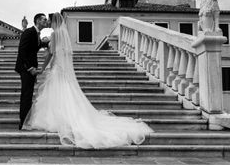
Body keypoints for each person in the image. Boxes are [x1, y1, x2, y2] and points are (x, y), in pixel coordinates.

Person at [23, 12, 152, 148]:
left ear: (53, 21)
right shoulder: (63, 33)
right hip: (64, 69)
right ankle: (68, 118)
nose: (48, 23)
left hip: (58, 68)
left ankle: (59, 119)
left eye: (48, 20)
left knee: (57, 92)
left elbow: (52, 53)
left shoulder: (55, 34)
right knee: (66, 93)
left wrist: (43, 68)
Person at [15, 13, 50, 129]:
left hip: (30, 68)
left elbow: (36, 46)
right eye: (44, 19)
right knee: (26, 95)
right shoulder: (28, 32)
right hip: (26, 68)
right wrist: (30, 68)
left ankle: (26, 121)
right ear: (38, 21)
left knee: (28, 95)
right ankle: (23, 123)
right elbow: (22, 50)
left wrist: (51, 42)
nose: (46, 21)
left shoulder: (36, 34)